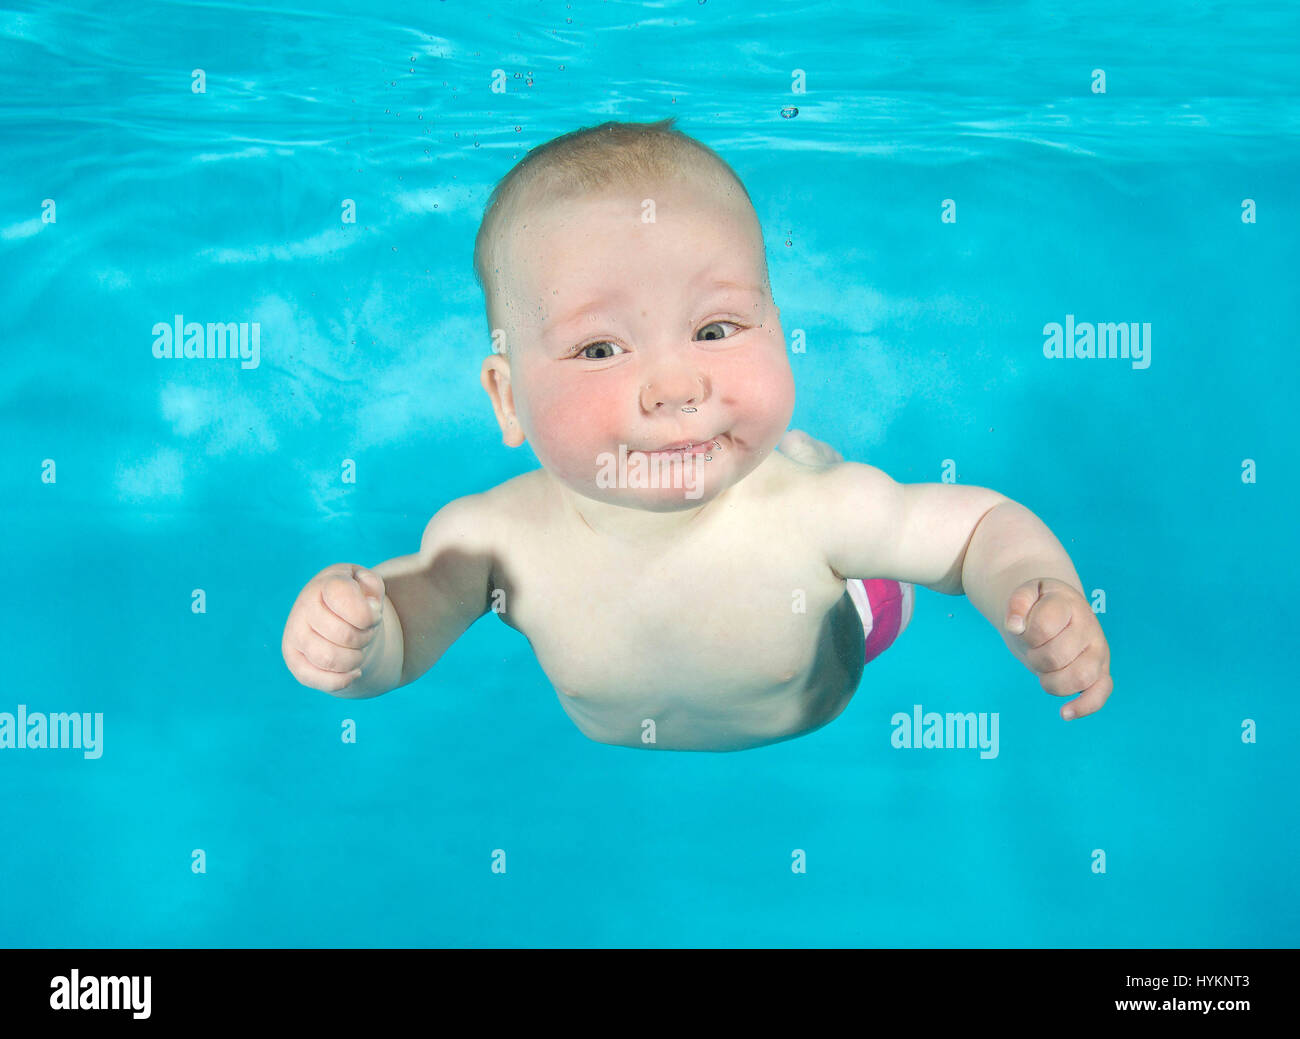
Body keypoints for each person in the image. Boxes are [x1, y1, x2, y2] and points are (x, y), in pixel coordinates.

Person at [281, 118, 1113, 752]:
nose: (678, 387)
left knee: (860, 551)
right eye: (601, 348)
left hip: (843, 640)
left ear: (778, 328)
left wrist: (1037, 592)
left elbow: (976, 529)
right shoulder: (492, 541)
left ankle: (821, 500)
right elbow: (407, 629)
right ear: (506, 399)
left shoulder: (822, 513)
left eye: (717, 329)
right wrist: (357, 638)